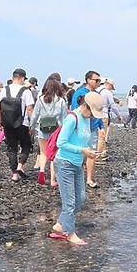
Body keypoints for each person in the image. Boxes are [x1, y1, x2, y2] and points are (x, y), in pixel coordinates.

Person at [49, 92, 104, 245]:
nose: (92, 116)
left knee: (81, 199)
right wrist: (82, 151)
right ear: (85, 106)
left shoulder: (87, 119)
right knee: (70, 202)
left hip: (77, 164)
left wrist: (89, 152)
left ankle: (60, 224)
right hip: (64, 163)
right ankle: (69, 233)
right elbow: (61, 143)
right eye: (92, 112)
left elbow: (82, 141)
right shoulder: (72, 118)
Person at [29, 73, 68, 187]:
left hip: (42, 128)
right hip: (56, 130)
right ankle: (52, 180)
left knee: (43, 152)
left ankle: (41, 172)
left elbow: (35, 115)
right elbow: (64, 118)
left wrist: (32, 127)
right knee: (53, 154)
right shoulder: (61, 101)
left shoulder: (40, 99)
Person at [0, 68, 35, 182]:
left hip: (7, 123)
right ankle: (20, 167)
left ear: (13, 77)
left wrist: (1, 122)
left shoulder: (5, 90)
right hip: (22, 123)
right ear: (23, 79)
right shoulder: (26, 91)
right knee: (26, 145)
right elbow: (29, 108)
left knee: (11, 148)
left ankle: (14, 174)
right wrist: (32, 125)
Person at [70, 70, 103, 188]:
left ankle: (89, 178)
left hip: (93, 128)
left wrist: (101, 126)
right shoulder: (79, 94)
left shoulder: (97, 94)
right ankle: (77, 176)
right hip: (81, 127)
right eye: (97, 80)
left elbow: (98, 111)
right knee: (79, 151)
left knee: (92, 153)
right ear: (88, 80)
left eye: (99, 80)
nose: (99, 82)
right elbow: (75, 109)